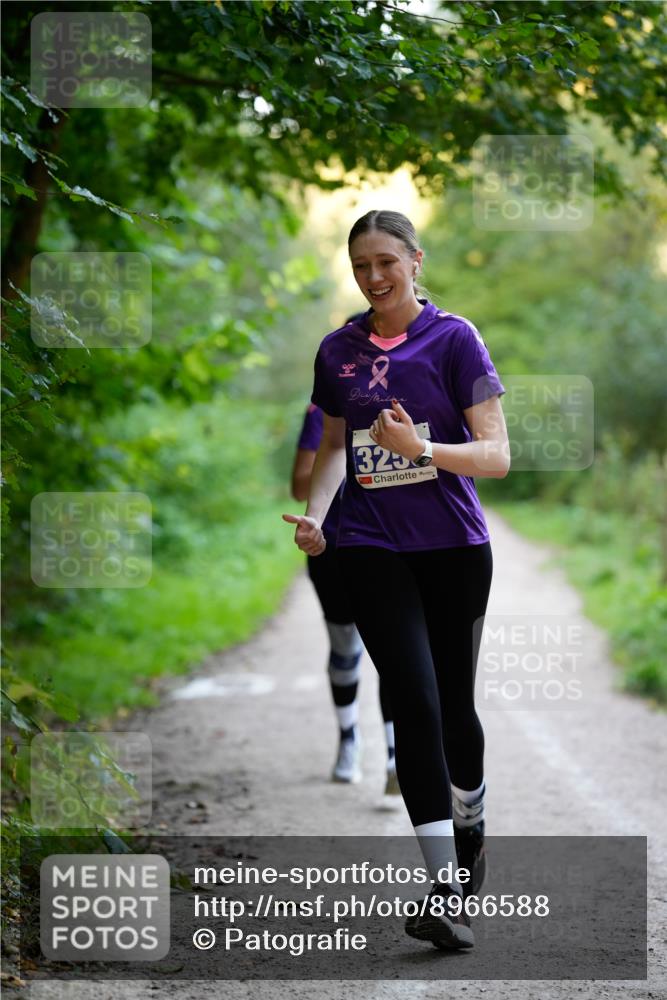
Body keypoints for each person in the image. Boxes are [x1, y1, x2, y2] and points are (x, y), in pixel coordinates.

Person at [283, 209, 509, 951]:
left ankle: (470, 823)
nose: (373, 276)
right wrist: (318, 517)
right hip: (369, 546)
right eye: (360, 265)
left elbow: (495, 457)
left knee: (451, 705)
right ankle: (444, 886)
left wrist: (423, 447)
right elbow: (335, 447)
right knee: (409, 698)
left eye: (386, 261)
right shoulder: (337, 350)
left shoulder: (455, 339)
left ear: (415, 261)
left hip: (451, 546)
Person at [291, 377, 398, 792]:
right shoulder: (323, 410)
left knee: (394, 647)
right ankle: (349, 738)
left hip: (393, 544)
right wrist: (345, 458)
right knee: (345, 648)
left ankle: (393, 756)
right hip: (333, 546)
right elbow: (300, 486)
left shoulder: (410, 401)